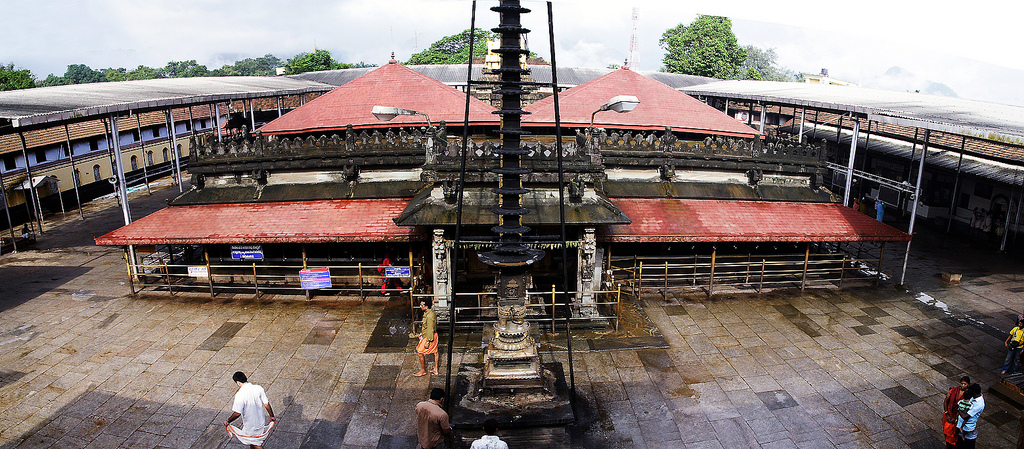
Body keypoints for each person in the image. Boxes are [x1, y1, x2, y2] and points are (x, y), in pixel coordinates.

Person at [224, 371, 276, 449]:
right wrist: (272, 416)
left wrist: (228, 421)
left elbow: (237, 413)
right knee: (253, 442)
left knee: (256, 444)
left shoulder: (240, 395)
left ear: (238, 383)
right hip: (260, 421)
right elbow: (266, 404)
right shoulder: (259, 388)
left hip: (250, 425)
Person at [942, 376, 970, 449]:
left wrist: (956, 419)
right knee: (947, 433)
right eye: (962, 383)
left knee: (955, 436)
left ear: (968, 385)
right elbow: (946, 401)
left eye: (965, 384)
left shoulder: (968, 395)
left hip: (958, 417)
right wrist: (947, 414)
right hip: (949, 414)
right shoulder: (953, 390)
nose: (963, 386)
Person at [414, 299, 439, 376]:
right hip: (430, 335)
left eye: (422, 305)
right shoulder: (430, 312)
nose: (421, 306)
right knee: (435, 352)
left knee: (420, 352)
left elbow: (430, 328)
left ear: (426, 306)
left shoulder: (429, 316)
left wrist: (428, 341)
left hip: (430, 336)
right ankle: (435, 369)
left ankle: (423, 370)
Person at [956, 383, 984, 449]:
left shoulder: (979, 404)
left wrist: (959, 409)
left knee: (968, 445)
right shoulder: (972, 398)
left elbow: (965, 416)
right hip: (962, 426)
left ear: (974, 392)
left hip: (968, 427)